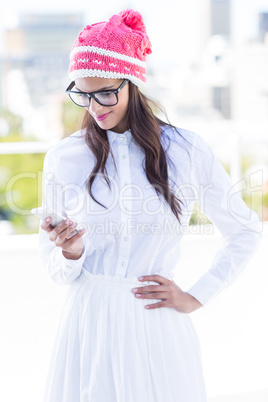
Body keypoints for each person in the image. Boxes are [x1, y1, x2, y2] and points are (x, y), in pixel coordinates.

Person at [39, 9, 262, 402]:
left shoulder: (187, 150)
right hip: (89, 325)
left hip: (156, 325)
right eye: (83, 95)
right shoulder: (65, 157)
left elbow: (243, 231)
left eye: (106, 92)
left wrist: (197, 295)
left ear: (133, 83)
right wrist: (71, 253)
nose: (94, 107)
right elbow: (56, 272)